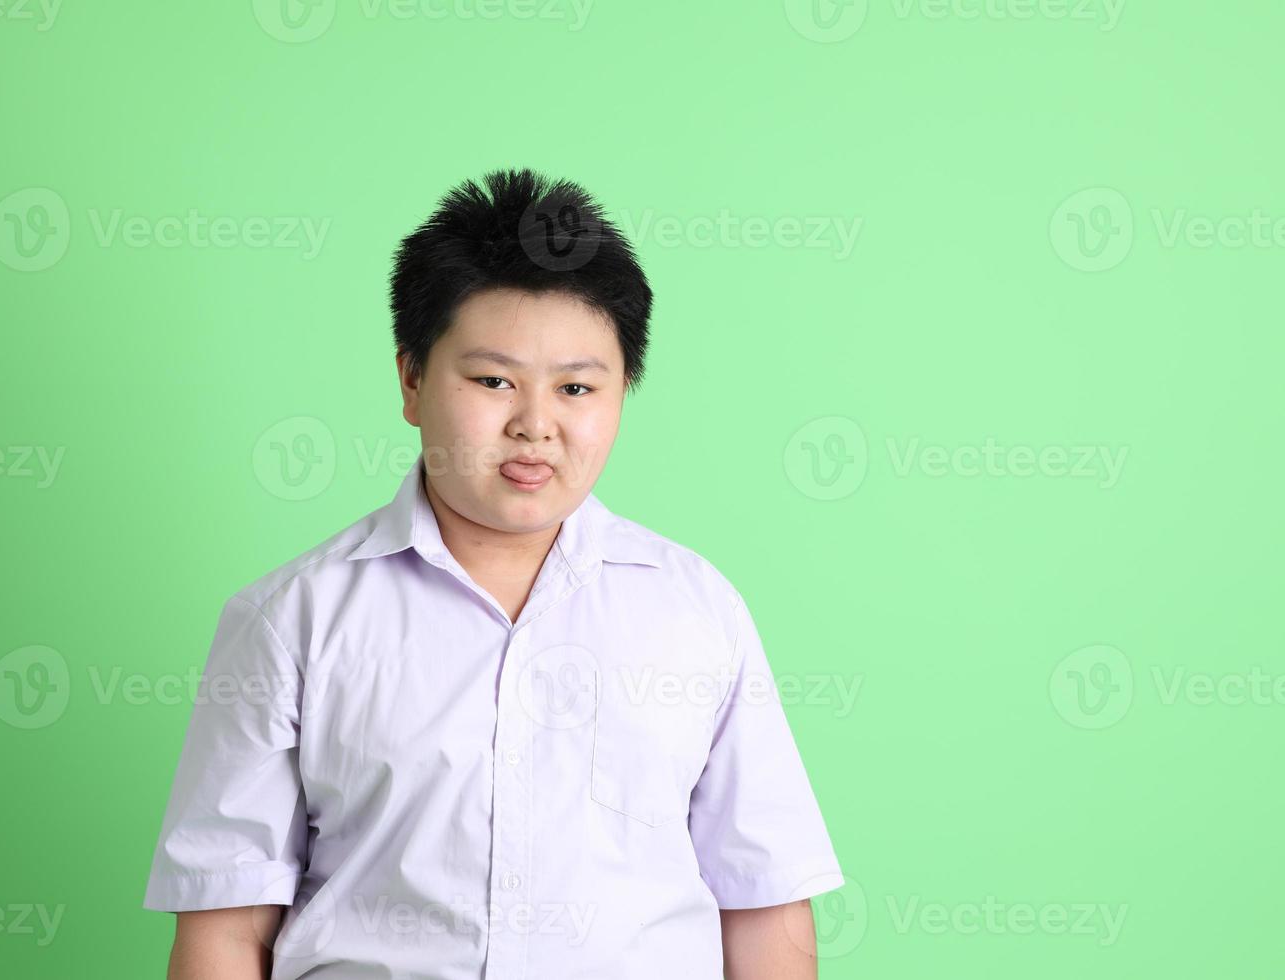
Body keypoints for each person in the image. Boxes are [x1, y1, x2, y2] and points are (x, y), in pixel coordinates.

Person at [141, 168, 844, 979]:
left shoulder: (695, 610)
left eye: (577, 387)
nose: (535, 425)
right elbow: (225, 931)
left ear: (621, 392)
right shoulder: (292, 618)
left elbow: (763, 903)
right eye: (493, 381)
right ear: (411, 378)